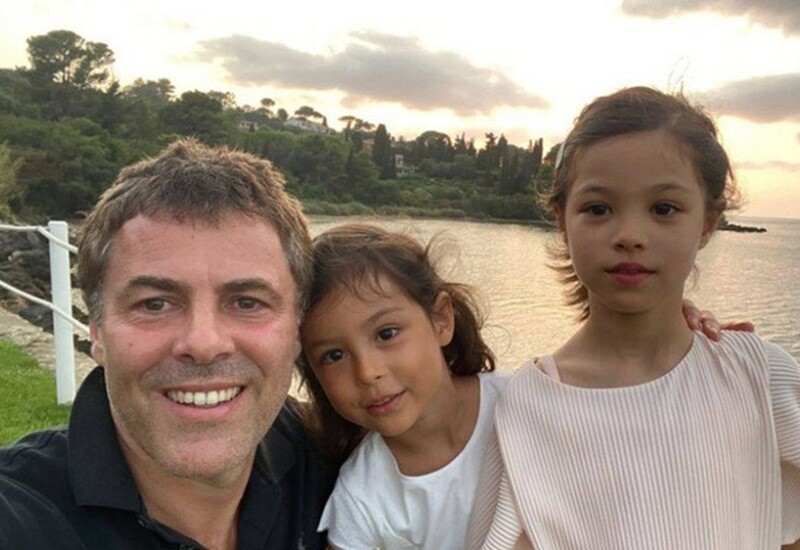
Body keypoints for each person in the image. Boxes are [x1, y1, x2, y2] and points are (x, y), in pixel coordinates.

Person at [467, 87, 800, 549]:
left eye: (663, 209)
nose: (629, 234)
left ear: (708, 221)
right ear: (561, 219)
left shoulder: (758, 375)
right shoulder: (528, 406)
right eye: (598, 208)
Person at [295, 223, 736, 550]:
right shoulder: (363, 496)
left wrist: (680, 338)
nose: (367, 371)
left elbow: (642, 427)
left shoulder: (529, 397)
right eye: (333, 355)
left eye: (387, 333)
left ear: (441, 320)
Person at [0, 138, 337, 549]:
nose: (204, 343)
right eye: (155, 304)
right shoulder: (21, 516)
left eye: (247, 302)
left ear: (298, 330)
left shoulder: (337, 466)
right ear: (97, 332)